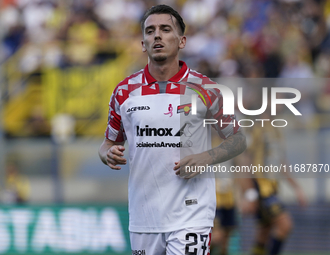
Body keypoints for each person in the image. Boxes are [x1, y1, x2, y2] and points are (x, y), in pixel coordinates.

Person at [99, 5, 246, 254]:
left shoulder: (206, 89)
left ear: (182, 41)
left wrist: (206, 157)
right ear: (143, 43)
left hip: (192, 213)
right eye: (150, 31)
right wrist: (107, 154)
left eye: (165, 29)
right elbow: (108, 144)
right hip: (144, 217)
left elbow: (238, 139)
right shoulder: (124, 92)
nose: (157, 35)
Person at [242, 119, 307, 255]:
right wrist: (249, 193)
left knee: (264, 232)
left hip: (272, 189)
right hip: (260, 188)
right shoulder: (256, 127)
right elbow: (245, 160)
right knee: (285, 224)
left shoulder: (276, 129)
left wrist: (297, 188)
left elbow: (281, 162)